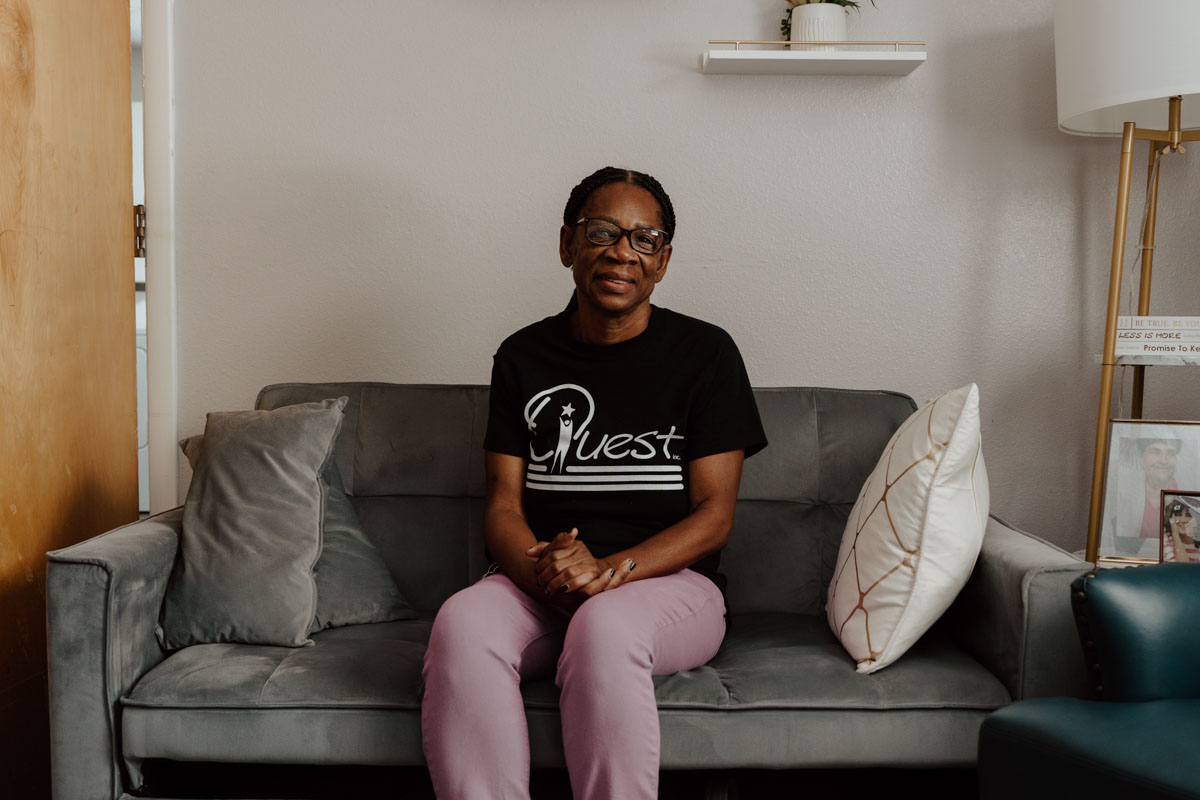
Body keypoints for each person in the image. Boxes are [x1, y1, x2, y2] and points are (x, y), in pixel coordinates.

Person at [421, 167, 767, 799]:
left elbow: (714, 515)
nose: (621, 252)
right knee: (463, 622)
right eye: (602, 231)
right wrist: (549, 573)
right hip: (543, 577)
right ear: (566, 245)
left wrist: (606, 573)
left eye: (644, 239)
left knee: (604, 627)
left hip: (666, 585)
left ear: (662, 262)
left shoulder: (707, 354)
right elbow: (503, 503)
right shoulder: (523, 357)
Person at [1162, 498, 1200, 562]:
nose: (1182, 520)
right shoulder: (1167, 539)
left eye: (1189, 515)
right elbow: (1180, 567)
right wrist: (1175, 534)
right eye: (1178, 515)